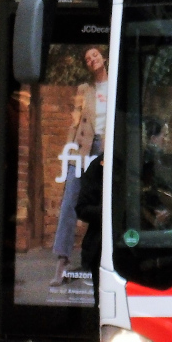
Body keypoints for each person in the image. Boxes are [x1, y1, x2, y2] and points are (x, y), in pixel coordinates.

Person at [52, 47, 109, 285]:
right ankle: (61, 262)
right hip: (83, 147)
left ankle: (97, 262)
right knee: (70, 201)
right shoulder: (84, 90)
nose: (91, 60)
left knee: (103, 204)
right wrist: (68, 151)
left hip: (106, 149)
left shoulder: (116, 85)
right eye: (87, 58)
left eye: (94, 55)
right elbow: (74, 123)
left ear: (104, 57)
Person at [74, 152, 104, 342]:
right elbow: (82, 208)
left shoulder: (146, 163)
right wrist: (111, 210)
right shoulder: (99, 167)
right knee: (100, 317)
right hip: (102, 252)